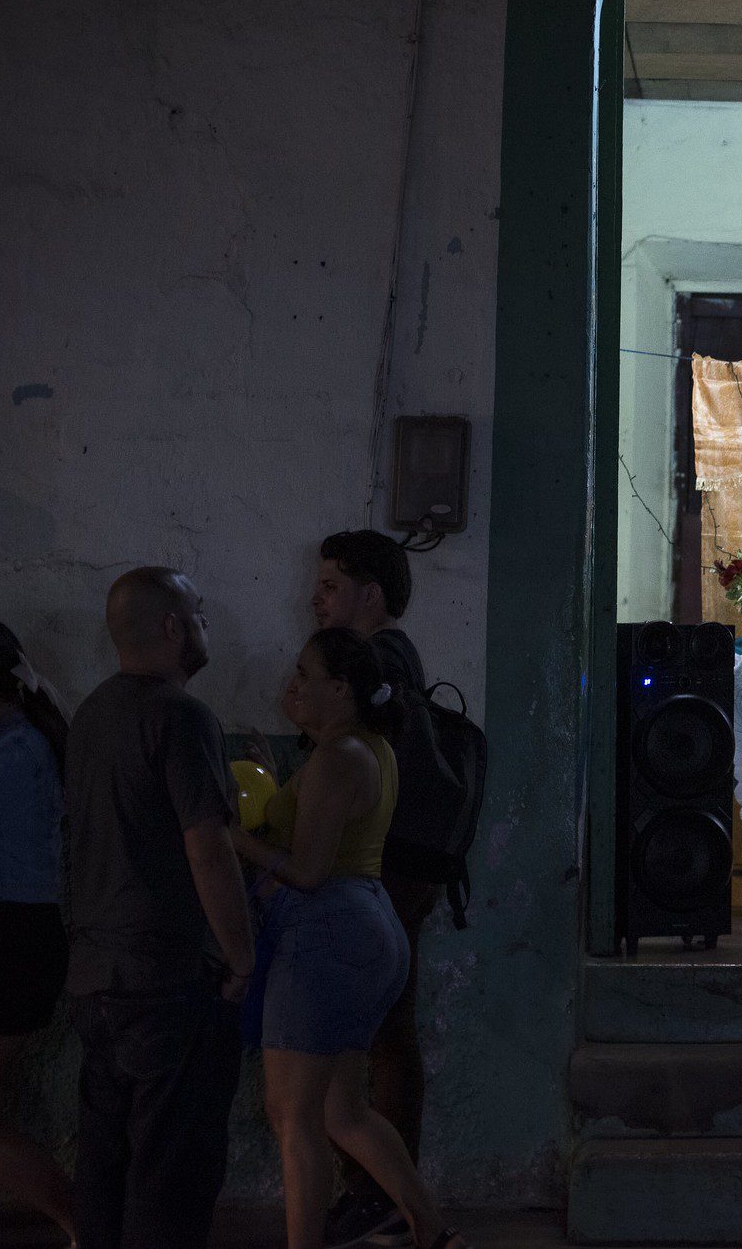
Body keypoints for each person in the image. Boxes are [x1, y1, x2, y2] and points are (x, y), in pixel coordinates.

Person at [231, 628, 465, 1249]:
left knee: (292, 1114)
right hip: (362, 925)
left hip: (326, 933)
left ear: (341, 690)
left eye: (306, 674)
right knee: (342, 1110)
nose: (293, 685)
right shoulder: (364, 748)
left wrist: (230, 838)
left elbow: (307, 871)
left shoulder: (339, 758)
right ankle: (432, 1229)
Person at [65, 567, 256, 1249]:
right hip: (165, 979)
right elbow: (209, 847)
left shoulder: (90, 714)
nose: (206, 625)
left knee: (105, 1166)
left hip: (96, 975)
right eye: (200, 613)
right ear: (173, 627)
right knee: (170, 1175)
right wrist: (239, 954)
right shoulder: (181, 716)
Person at [312, 529, 437, 1246]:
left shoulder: (379, 661)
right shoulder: (396, 659)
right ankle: (385, 1191)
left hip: (384, 868)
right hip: (400, 868)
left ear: (371, 593)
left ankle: (381, 1193)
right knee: (386, 1033)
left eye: (330, 584)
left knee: (374, 1038)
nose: (316, 598)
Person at [0, 622, 76, 1244]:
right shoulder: (31, 738)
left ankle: (86, 1223)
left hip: (11, 940)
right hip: (23, 937)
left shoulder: (15, 753)